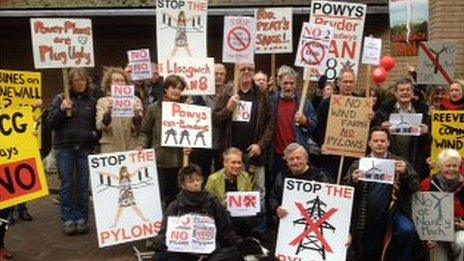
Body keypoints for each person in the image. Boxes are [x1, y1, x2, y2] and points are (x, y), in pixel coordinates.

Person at [344, 128, 419, 260]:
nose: (379, 143)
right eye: (376, 141)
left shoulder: (400, 162)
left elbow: (414, 187)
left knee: (407, 230)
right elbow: (345, 191)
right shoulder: (359, 164)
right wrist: (353, 180)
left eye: (382, 141)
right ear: (369, 143)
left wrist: (405, 173)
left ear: (388, 143)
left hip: (395, 212)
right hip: (365, 214)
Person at [152, 164, 243, 261]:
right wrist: (161, 241)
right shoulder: (175, 206)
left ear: (202, 180)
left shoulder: (213, 202)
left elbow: (226, 231)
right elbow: (163, 233)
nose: (195, 183)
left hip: (211, 253)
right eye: (191, 181)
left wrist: (240, 244)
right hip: (183, 254)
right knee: (159, 257)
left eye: (197, 180)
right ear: (183, 185)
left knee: (235, 253)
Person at [47, 68, 99, 235]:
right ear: (70, 83)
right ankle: (69, 219)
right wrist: (61, 110)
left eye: (83, 80)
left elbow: (96, 127)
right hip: (64, 148)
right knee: (67, 185)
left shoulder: (92, 101)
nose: (80, 83)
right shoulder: (60, 98)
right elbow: (49, 124)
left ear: (87, 82)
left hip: (84, 148)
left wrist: (93, 136)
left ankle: (82, 219)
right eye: (76, 80)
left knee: (83, 186)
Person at [213, 63, 274, 205]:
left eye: (250, 69)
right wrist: (228, 108)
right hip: (231, 153)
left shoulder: (262, 94)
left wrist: (260, 145)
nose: (246, 72)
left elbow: (271, 124)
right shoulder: (228, 92)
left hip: (255, 154)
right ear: (236, 71)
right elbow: (215, 119)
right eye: (243, 69)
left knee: (259, 191)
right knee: (230, 191)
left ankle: (259, 226)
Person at [138, 75, 189, 207]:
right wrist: (141, 146)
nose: (176, 91)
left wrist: (191, 147)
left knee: (175, 199)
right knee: (157, 197)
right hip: (159, 160)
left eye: (179, 88)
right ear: (166, 89)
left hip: (179, 161)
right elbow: (145, 131)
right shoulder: (154, 108)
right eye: (173, 87)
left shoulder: (187, 109)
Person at [372, 78, 430, 180]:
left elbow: (429, 142)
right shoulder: (384, 110)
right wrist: (381, 128)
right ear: (395, 93)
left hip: (415, 161)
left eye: (408, 90)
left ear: (412, 93)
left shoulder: (423, 110)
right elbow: (374, 133)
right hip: (389, 160)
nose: (405, 92)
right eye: (401, 90)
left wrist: (426, 132)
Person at [270, 66, 318, 178]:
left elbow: (314, 126)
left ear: (296, 84)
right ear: (279, 82)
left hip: (298, 158)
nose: (288, 87)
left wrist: (305, 121)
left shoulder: (304, 103)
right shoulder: (272, 101)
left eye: (292, 83)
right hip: (278, 155)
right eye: (285, 83)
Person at [314, 69, 359, 180]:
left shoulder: (361, 103)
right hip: (331, 155)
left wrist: (370, 117)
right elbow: (318, 127)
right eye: (345, 82)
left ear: (355, 83)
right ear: (338, 83)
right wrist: (322, 143)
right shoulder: (327, 103)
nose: (348, 85)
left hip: (352, 155)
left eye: (351, 82)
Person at [205, 148, 260, 238]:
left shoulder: (245, 176)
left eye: (239, 163)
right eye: (233, 162)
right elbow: (207, 203)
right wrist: (223, 204)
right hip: (221, 215)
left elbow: (249, 199)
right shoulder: (213, 179)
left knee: (252, 219)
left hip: (240, 215)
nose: (237, 166)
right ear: (225, 163)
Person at [269, 143, 331, 222]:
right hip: (288, 223)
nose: (295, 162)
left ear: (306, 159)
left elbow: (330, 200)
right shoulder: (282, 176)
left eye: (298, 158)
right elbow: (273, 198)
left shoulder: (320, 176)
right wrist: (277, 208)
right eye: (291, 159)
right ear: (286, 162)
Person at [421, 149, 464, 261]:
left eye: (455, 166)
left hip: (458, 229)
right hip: (436, 233)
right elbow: (421, 213)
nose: (451, 169)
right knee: (436, 253)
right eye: (447, 166)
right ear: (440, 167)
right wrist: (428, 234)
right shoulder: (428, 184)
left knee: (463, 241)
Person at [191, 63, 228, 177]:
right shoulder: (200, 96)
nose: (218, 76)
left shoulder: (231, 95)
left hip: (222, 143)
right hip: (203, 144)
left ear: (225, 76)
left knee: (221, 176)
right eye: (215, 74)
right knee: (203, 174)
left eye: (221, 74)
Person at [96, 67, 143, 153]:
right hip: (111, 147)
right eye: (116, 81)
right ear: (109, 84)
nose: (120, 83)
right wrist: (108, 112)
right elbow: (99, 125)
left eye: (123, 81)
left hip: (131, 146)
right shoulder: (102, 102)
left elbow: (140, 127)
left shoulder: (135, 100)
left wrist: (137, 114)